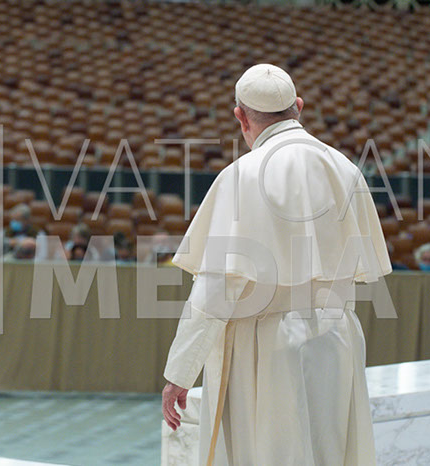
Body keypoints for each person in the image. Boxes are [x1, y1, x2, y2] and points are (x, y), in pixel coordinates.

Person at [162, 64, 391, 465]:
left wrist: (180, 371)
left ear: (241, 117)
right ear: (298, 106)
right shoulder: (346, 169)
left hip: (267, 348)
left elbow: (215, 290)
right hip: (337, 339)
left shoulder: (241, 175)